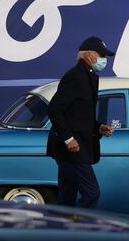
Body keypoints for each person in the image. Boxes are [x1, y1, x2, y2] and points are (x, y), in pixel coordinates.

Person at [46, 37, 115, 208]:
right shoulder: (76, 76)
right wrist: (68, 139)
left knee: (67, 197)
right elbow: (55, 109)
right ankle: (83, 227)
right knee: (91, 193)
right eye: (102, 55)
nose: (104, 60)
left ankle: (64, 231)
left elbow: (80, 114)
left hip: (76, 147)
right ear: (90, 56)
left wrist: (99, 127)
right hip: (72, 149)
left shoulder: (89, 76)